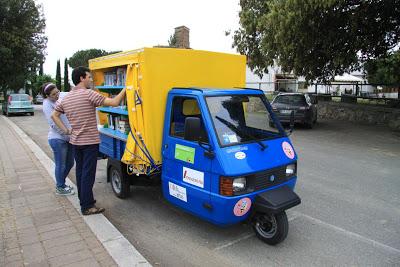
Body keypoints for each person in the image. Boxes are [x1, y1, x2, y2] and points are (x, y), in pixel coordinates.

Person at [51, 66, 126, 215]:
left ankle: (85, 201)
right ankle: (87, 206)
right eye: (89, 77)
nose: (91, 80)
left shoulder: (66, 98)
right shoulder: (88, 94)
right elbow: (115, 102)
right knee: (88, 174)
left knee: (80, 173)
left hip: (75, 141)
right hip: (89, 142)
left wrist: (67, 130)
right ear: (81, 78)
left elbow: (54, 115)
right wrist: (126, 88)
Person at [42, 83, 75, 196]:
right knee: (61, 164)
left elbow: (72, 92)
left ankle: (61, 183)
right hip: (57, 139)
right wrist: (66, 131)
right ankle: (60, 187)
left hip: (68, 137)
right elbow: (53, 124)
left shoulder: (60, 96)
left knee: (70, 163)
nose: (57, 95)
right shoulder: (47, 104)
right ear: (47, 96)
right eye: (53, 94)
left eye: (57, 92)